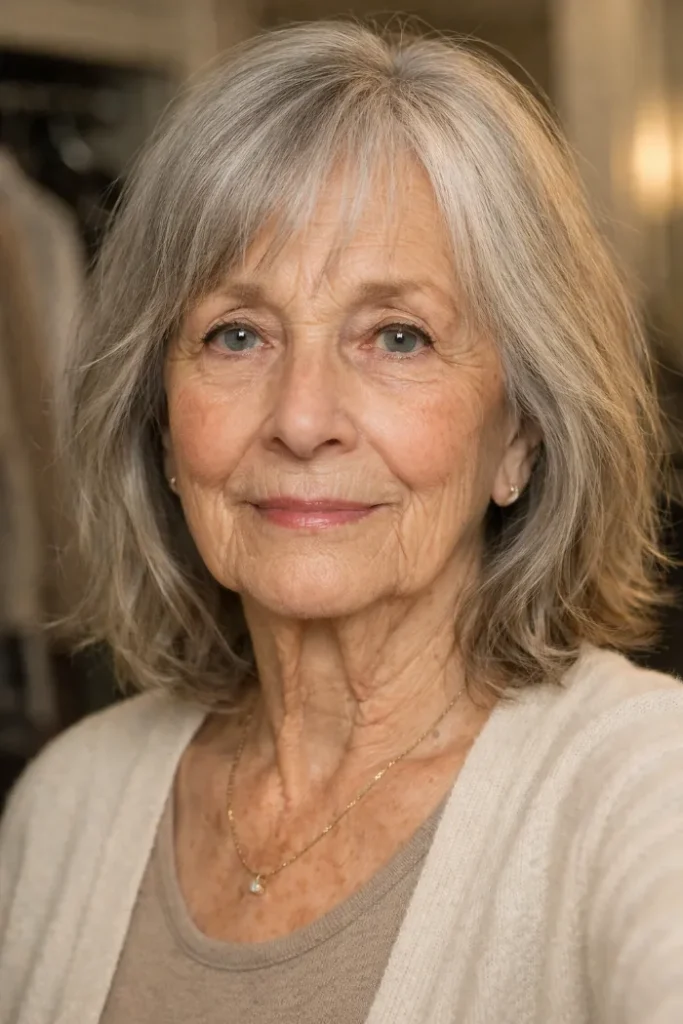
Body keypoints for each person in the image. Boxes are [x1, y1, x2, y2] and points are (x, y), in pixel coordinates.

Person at [1, 21, 683, 1024]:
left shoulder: (645, 788)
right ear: (161, 420)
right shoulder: (64, 805)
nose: (301, 418)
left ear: (519, 434)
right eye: (236, 334)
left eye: (397, 337)